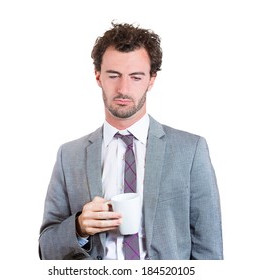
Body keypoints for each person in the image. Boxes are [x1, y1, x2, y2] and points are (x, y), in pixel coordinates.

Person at [39, 22, 223, 260]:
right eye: (113, 75)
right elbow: (46, 249)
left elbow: (210, 248)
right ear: (98, 77)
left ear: (152, 79)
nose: (123, 88)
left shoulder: (190, 150)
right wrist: (79, 227)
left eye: (136, 77)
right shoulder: (69, 155)